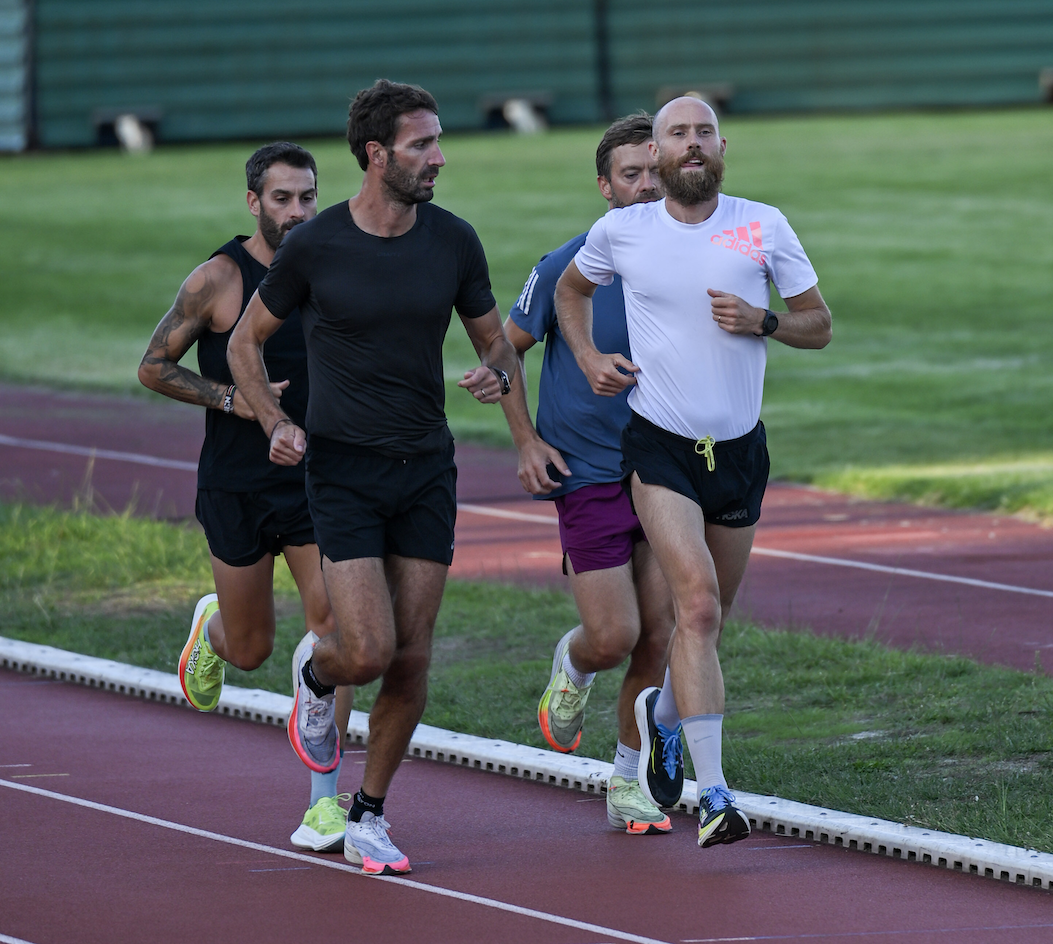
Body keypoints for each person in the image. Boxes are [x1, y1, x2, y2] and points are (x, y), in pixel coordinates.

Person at [228, 79, 518, 876]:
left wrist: (496, 372)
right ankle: (317, 673)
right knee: (366, 650)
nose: (439, 157)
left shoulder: (454, 241)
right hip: (345, 472)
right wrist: (275, 421)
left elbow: (496, 343)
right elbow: (244, 346)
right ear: (376, 154)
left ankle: (370, 814)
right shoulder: (314, 245)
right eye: (423, 145)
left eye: (437, 142)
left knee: (414, 657)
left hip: (427, 468)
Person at [555, 96, 832, 848]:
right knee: (697, 607)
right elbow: (569, 290)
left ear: (720, 147)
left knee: (709, 622)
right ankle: (714, 796)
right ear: (661, 151)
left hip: (739, 454)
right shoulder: (623, 231)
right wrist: (585, 357)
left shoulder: (759, 224)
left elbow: (820, 325)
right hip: (661, 447)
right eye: (678, 134)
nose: (692, 144)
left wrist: (765, 321)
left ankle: (663, 718)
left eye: (704, 132)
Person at [138, 142, 354, 853]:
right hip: (236, 486)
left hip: (315, 483)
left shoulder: (329, 266)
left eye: (307, 198)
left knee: (338, 632)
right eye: (283, 199)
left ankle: (326, 800)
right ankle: (212, 629)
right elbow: (154, 366)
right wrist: (234, 399)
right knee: (253, 650)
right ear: (254, 202)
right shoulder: (219, 279)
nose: (297, 212)